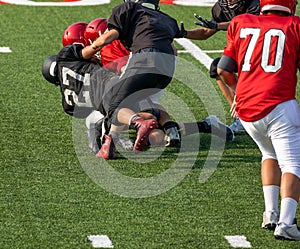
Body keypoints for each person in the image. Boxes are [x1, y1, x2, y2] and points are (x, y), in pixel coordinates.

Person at [217, 0, 300, 240]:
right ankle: (286, 223)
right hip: (279, 105)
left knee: (269, 154)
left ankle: (270, 213)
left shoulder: (240, 22)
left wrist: (238, 94)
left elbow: (222, 70)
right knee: (293, 165)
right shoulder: (294, 25)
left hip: (247, 110)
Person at [84, 0, 187, 158]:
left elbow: (107, 39)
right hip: (165, 73)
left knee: (113, 103)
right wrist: (216, 27)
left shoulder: (127, 9)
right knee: (142, 111)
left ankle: (130, 127)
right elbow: (188, 40)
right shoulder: (165, 19)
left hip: (143, 64)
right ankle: (171, 130)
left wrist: (88, 51)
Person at [183, 0, 260, 134]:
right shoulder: (221, 7)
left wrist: (218, 25)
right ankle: (241, 117)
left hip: (262, 51)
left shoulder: (256, 4)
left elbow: (246, 23)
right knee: (217, 67)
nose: (229, 1)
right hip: (242, 51)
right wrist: (183, 33)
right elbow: (206, 32)